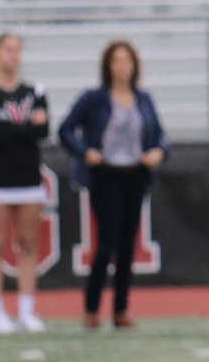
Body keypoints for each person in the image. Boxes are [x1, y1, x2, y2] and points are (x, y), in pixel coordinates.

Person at [59, 40, 167, 329]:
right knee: (107, 242)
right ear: (108, 66)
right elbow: (65, 130)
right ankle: (91, 308)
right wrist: (85, 152)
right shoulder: (94, 98)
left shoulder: (143, 99)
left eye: (127, 60)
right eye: (117, 61)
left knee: (128, 245)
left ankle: (120, 309)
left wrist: (158, 152)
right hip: (105, 175)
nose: (122, 66)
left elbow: (160, 136)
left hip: (135, 174)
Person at [0, 32, 51, 336]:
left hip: (28, 174)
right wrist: (26, 127)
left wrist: (12, 128)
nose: (13, 55)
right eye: (7, 49)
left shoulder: (35, 91)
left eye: (17, 50)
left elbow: (43, 131)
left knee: (28, 242)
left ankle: (27, 310)